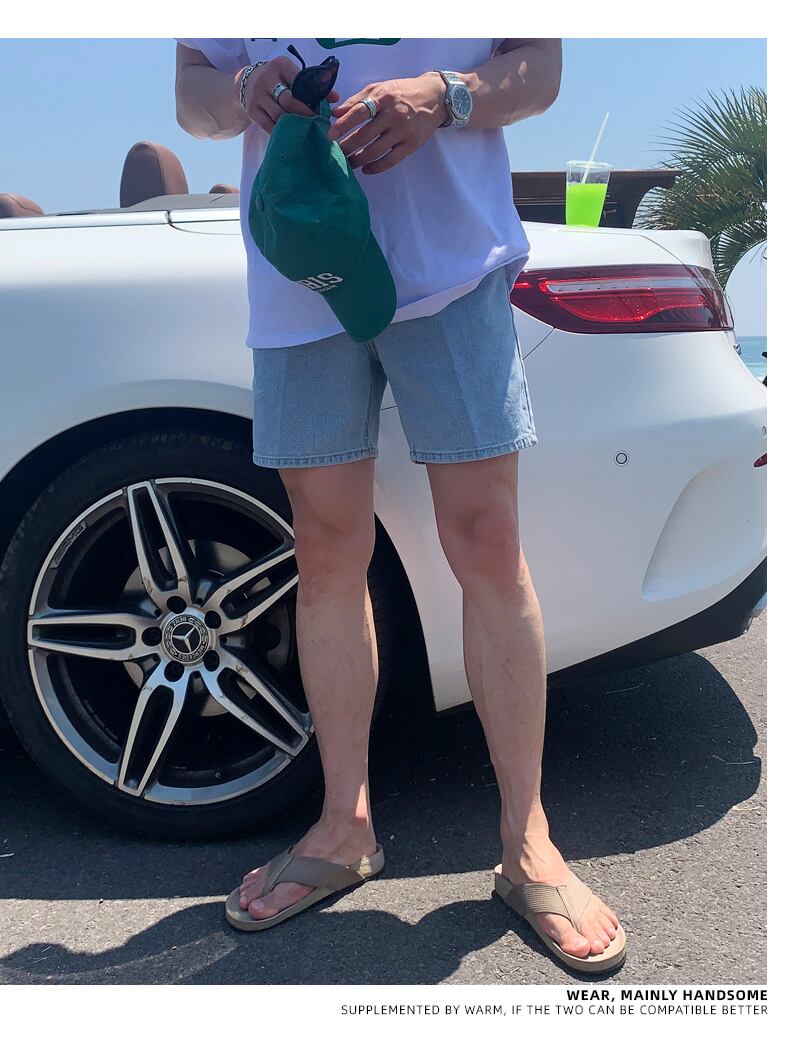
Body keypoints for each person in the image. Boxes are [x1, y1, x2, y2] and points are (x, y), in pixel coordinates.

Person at [175, 37, 626, 972]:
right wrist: (250, 86)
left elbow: (538, 67)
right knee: (325, 549)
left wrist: (447, 95)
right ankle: (345, 825)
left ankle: (527, 839)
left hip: (453, 263)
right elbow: (193, 93)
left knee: (488, 540)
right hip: (302, 264)